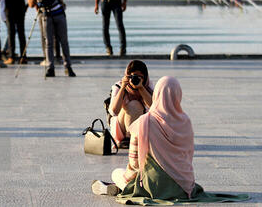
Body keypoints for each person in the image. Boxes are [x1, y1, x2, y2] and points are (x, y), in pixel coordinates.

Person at [92, 76, 249, 205]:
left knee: (117, 173)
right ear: (178, 95)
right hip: (184, 186)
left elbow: (134, 163)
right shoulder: (185, 121)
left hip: (152, 188)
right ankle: (122, 188)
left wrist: (132, 179)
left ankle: (120, 187)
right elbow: (188, 156)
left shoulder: (144, 122)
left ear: (156, 95)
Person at [27, 0, 75, 77]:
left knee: (64, 41)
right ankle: (50, 67)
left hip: (58, 13)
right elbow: (30, 4)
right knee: (48, 42)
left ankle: (68, 66)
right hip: (46, 16)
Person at [108, 60, 153, 148]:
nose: (136, 79)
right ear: (127, 76)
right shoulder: (118, 86)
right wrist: (123, 88)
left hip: (140, 127)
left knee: (136, 105)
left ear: (145, 77)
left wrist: (141, 88)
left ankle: (132, 138)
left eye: (140, 77)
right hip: (121, 128)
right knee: (134, 104)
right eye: (133, 76)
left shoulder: (148, 87)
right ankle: (129, 137)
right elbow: (114, 112)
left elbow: (154, 107)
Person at [36, 0, 72, 66]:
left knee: (47, 39)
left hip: (46, 14)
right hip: (57, 13)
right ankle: (60, 59)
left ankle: (49, 60)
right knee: (61, 39)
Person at [0, 0, 30, 65]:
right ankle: (23, 57)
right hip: (21, 9)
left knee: (11, 33)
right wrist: (26, 7)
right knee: (21, 33)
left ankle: (11, 57)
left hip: (9, 10)